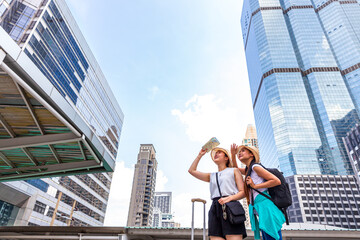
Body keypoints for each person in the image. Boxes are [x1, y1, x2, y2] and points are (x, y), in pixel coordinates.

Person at [188, 147, 247, 240]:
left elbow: (243, 192)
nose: (216, 154)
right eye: (215, 153)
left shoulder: (234, 171)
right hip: (215, 207)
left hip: (231, 206)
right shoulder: (211, 175)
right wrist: (200, 155)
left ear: (226, 158)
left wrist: (229, 198)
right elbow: (192, 171)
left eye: (219, 152)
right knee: (215, 237)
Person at [230, 144, 285, 240]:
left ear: (251, 154)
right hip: (260, 207)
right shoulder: (249, 169)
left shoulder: (255, 167)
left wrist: (255, 186)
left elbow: (276, 181)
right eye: (239, 152)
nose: (240, 153)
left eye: (243, 151)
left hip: (265, 206)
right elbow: (235, 169)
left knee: (271, 235)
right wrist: (233, 155)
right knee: (267, 235)